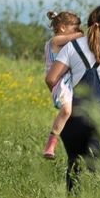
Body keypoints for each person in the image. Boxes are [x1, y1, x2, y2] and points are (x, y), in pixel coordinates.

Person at [52, 3, 100, 191]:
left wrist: (60, 98)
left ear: (89, 23)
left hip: (77, 115)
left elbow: (51, 78)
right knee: (99, 173)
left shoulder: (71, 46)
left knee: (74, 168)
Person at [41, 9, 83, 158]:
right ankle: (50, 145)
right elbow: (76, 37)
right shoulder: (55, 41)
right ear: (63, 28)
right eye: (74, 28)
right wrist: (82, 33)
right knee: (66, 111)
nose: (77, 31)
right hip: (59, 81)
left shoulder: (63, 41)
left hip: (67, 79)